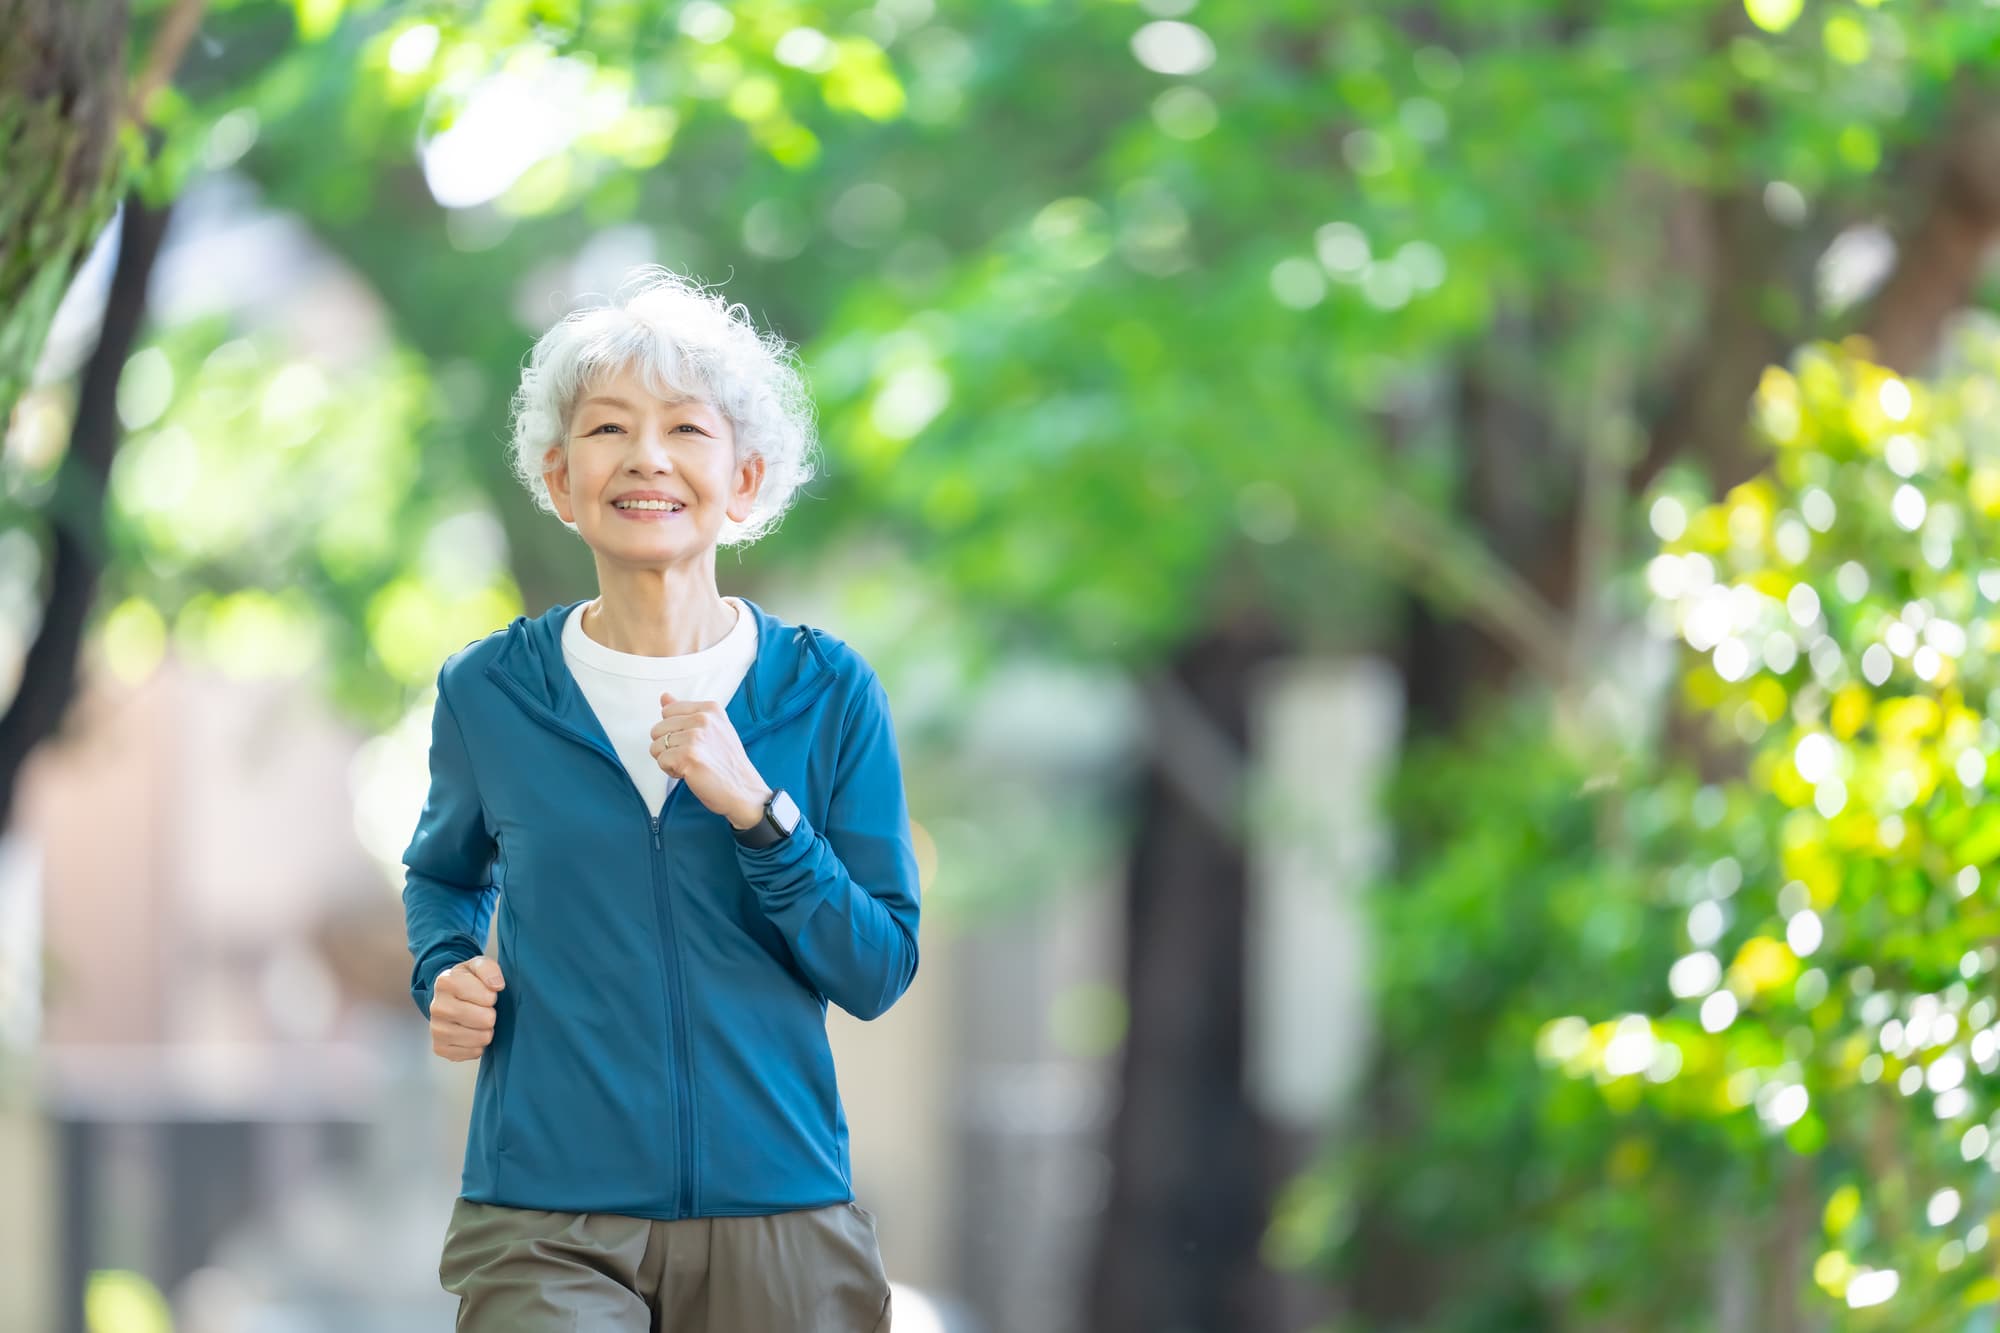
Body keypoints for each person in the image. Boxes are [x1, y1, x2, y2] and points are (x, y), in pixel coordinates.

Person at [401, 265, 920, 1331]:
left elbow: (874, 969)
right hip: (542, 1213)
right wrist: (444, 967)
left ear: (745, 479)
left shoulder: (826, 694)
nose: (645, 455)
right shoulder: (490, 691)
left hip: (779, 1210)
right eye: (606, 430)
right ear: (558, 479)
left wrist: (758, 813)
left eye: (685, 427)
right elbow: (442, 875)